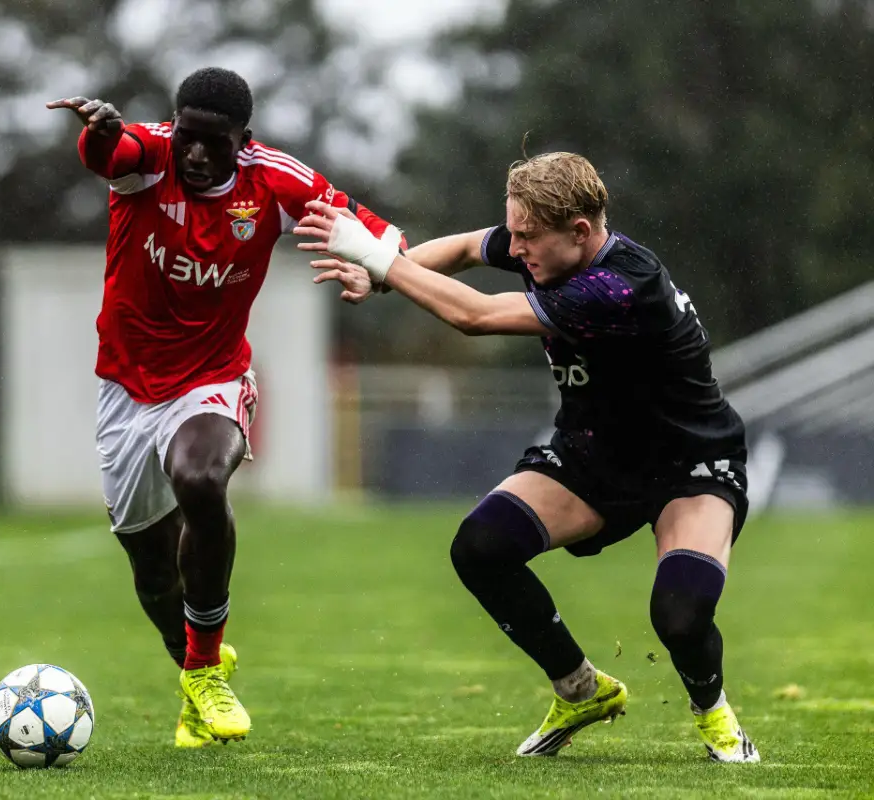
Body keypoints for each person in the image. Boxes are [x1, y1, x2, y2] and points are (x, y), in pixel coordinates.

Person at [294, 151, 760, 763]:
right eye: (511, 231)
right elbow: (463, 248)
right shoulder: (542, 242)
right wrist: (383, 278)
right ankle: (579, 690)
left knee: (678, 615)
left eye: (527, 237)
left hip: (688, 464)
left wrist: (379, 257)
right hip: (593, 456)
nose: (515, 248)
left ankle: (714, 716)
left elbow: (474, 315)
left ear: (581, 233)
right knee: (480, 548)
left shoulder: (619, 286)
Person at [47, 67, 403, 748]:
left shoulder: (276, 182)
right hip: (125, 387)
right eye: (188, 136)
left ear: (245, 140)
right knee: (153, 578)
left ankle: (207, 670)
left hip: (212, 377)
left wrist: (375, 270)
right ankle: (194, 678)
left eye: (215, 142)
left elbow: (385, 238)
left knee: (201, 478)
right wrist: (98, 135)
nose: (196, 154)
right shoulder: (149, 157)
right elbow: (108, 157)